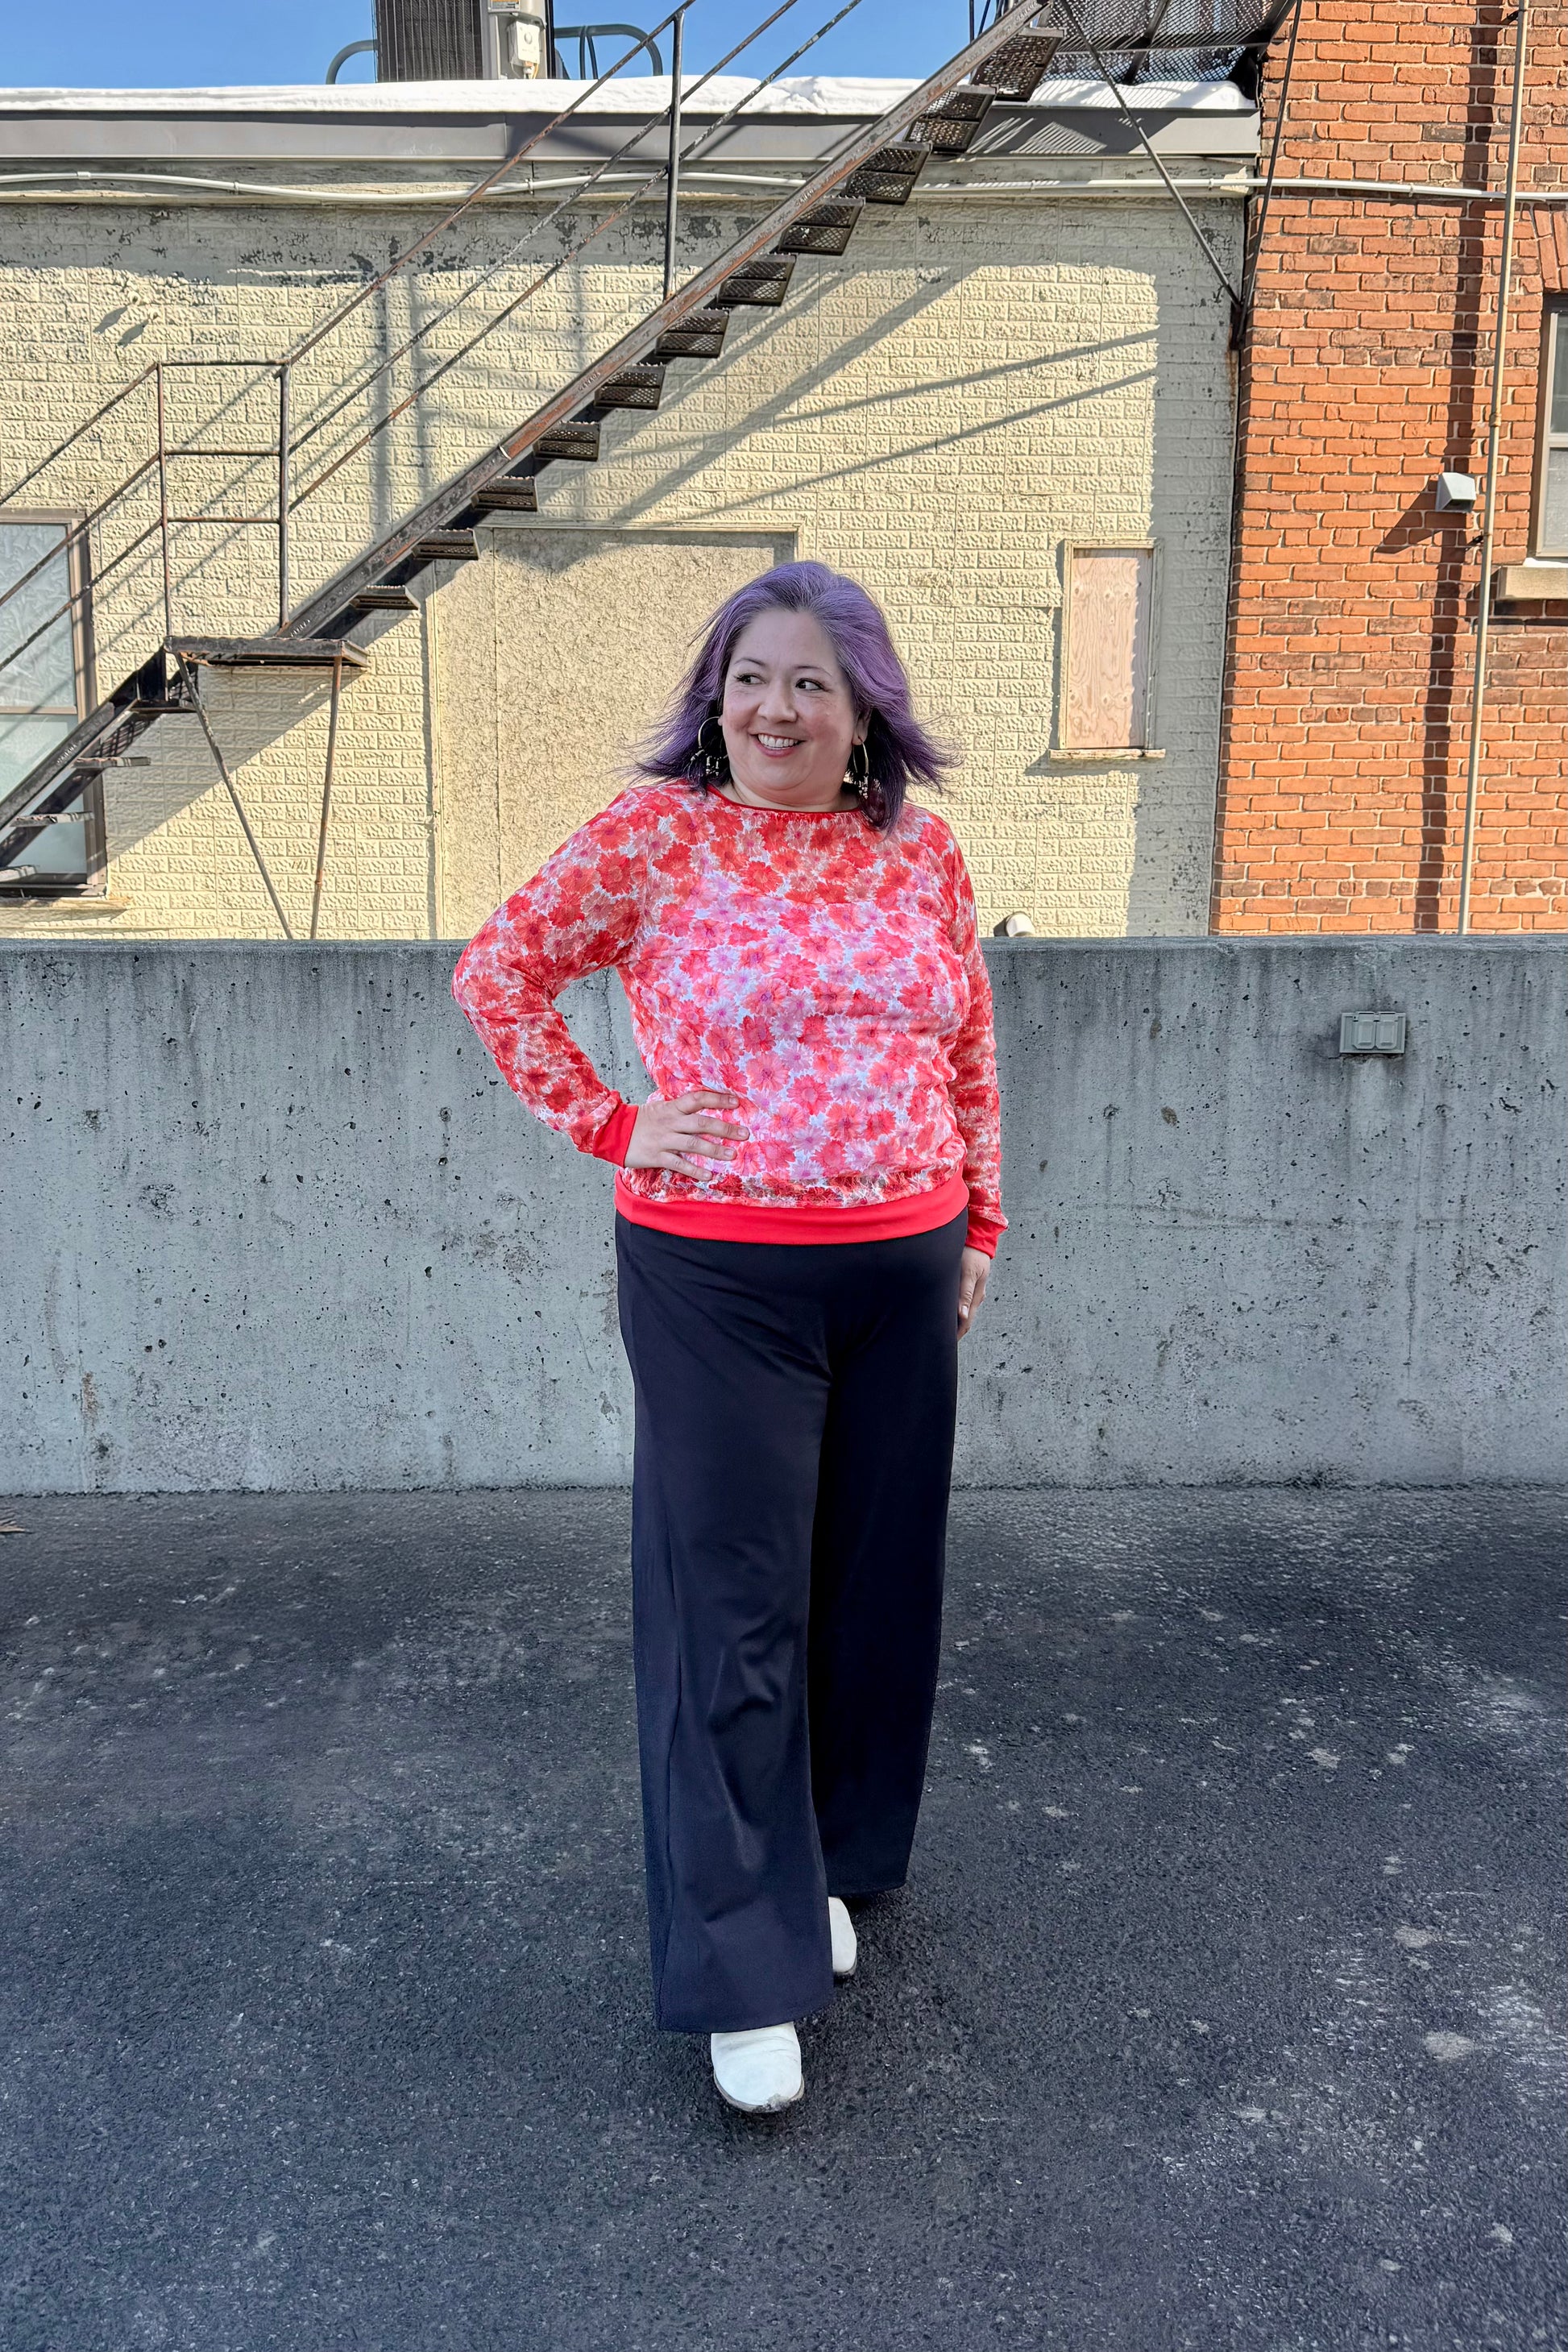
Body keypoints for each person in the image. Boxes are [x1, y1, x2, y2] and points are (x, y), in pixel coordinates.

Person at [452, 560, 1005, 2116]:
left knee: (870, 1597)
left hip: (898, 1264)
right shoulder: (654, 840)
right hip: (720, 1279)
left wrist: (974, 1227)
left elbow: (963, 1043)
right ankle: (741, 1969)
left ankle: (819, 1867)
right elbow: (498, 977)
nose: (776, 707)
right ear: (715, 700)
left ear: (863, 713)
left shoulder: (923, 856)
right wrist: (620, 1123)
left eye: (810, 683)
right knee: (733, 1618)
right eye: (749, 678)